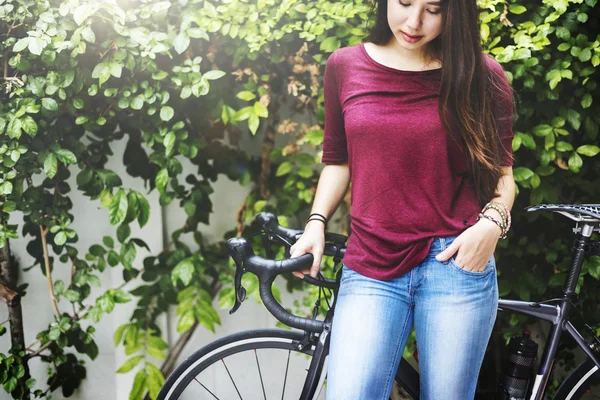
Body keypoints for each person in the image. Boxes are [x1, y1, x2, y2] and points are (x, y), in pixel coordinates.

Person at [289, 0, 516, 398]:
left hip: (456, 264)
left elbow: (504, 177)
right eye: (405, 3)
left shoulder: (482, 76)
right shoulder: (344, 66)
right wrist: (316, 223)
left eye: (433, 9)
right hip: (372, 263)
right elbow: (337, 162)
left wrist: (490, 226)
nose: (414, 22)